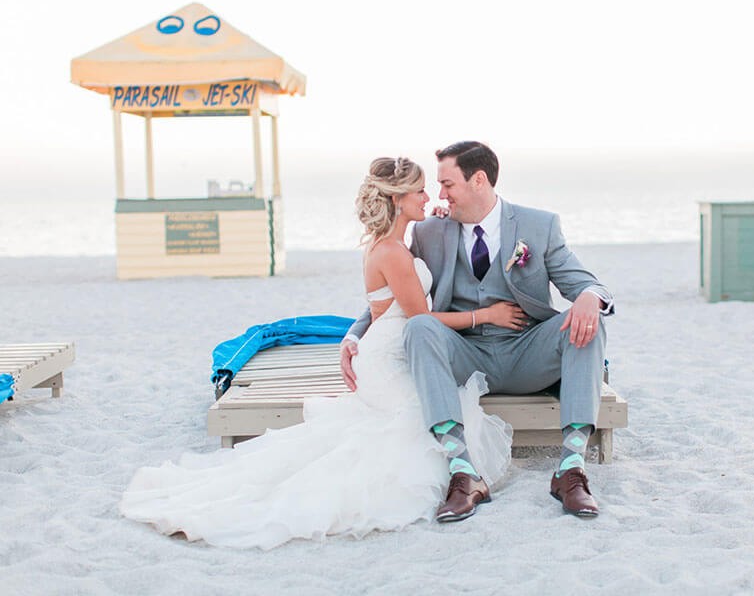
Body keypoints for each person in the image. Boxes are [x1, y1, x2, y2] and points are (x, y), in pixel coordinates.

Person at [119, 157, 512, 549]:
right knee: (418, 428)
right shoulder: (391, 252)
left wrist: (352, 337)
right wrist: (486, 315)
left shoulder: (389, 246)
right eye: (420, 191)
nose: (428, 198)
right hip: (387, 362)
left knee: (417, 421)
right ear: (397, 199)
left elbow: (386, 310)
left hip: (385, 352)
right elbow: (420, 318)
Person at [342, 141, 613, 521]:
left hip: (526, 353)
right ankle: (463, 472)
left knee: (587, 321)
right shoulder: (429, 232)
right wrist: (355, 334)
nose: (439, 195)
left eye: (447, 184)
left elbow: (585, 281)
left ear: (479, 180)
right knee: (420, 326)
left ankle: (570, 469)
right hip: (464, 356)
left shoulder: (539, 226)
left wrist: (589, 296)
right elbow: (396, 299)